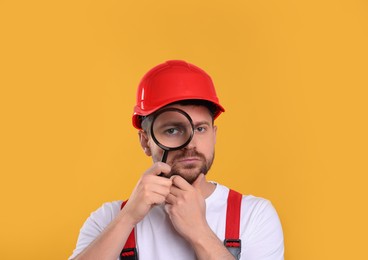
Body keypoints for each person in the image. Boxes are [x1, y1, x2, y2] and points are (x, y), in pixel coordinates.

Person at [70, 60, 284, 260]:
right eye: (172, 130)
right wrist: (128, 218)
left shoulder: (254, 215)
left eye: (200, 129)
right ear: (146, 141)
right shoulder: (109, 219)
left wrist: (199, 232)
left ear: (214, 135)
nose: (190, 143)